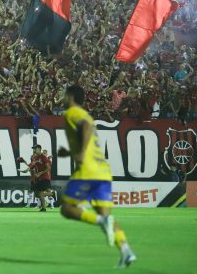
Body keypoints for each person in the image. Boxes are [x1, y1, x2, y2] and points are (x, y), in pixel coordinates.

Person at [58, 85, 136, 268]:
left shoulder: (73, 112)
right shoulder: (87, 115)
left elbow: (84, 128)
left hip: (87, 172)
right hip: (103, 172)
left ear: (70, 96)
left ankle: (101, 221)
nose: (62, 97)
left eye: (64, 94)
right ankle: (126, 251)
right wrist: (70, 153)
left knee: (67, 208)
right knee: (107, 216)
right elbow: (88, 135)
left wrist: (80, 153)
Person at [29, 145, 55, 212]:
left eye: (35, 149)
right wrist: (28, 169)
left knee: (40, 194)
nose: (33, 150)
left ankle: (44, 208)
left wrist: (40, 173)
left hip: (44, 177)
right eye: (33, 149)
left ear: (39, 149)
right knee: (37, 194)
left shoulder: (43, 157)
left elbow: (48, 167)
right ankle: (51, 194)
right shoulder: (36, 157)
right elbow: (33, 166)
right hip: (38, 178)